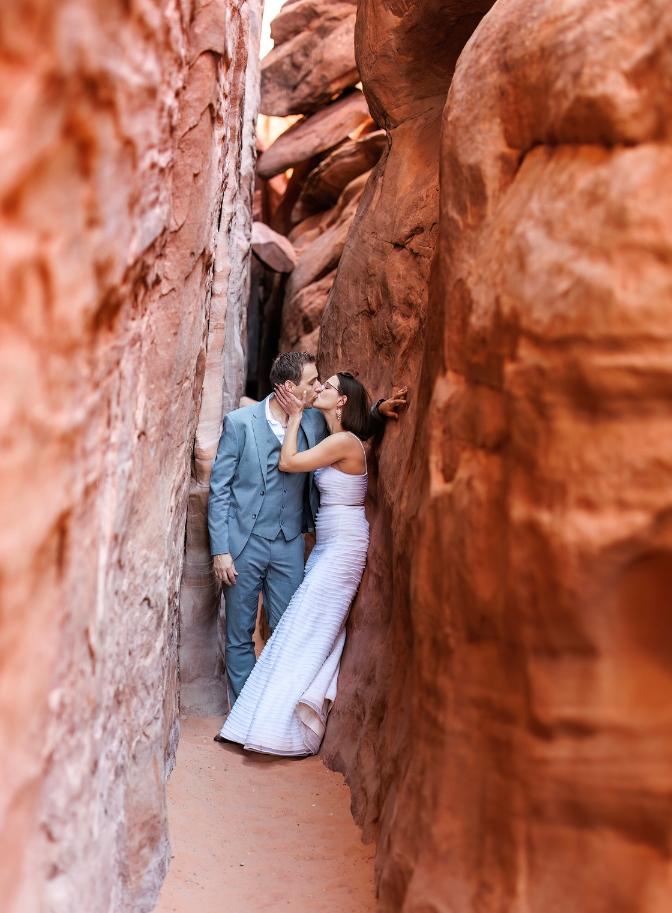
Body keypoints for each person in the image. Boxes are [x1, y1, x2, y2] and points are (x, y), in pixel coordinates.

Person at [207, 351, 406, 708]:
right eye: (312, 382)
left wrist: (377, 412)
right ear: (290, 388)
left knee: (288, 632)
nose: (317, 387)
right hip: (242, 545)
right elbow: (220, 490)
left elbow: (350, 430)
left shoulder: (314, 423)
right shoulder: (239, 423)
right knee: (239, 636)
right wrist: (220, 549)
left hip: (289, 545)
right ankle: (245, 714)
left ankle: (277, 713)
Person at [217, 370, 376, 755]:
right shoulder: (332, 434)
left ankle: (283, 726)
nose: (320, 387)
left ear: (340, 401)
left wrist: (294, 418)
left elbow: (288, 462)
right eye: (318, 381)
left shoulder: (340, 440)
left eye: (328, 386)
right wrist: (380, 410)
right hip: (327, 545)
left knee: (303, 632)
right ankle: (256, 717)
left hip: (343, 548)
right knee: (297, 631)